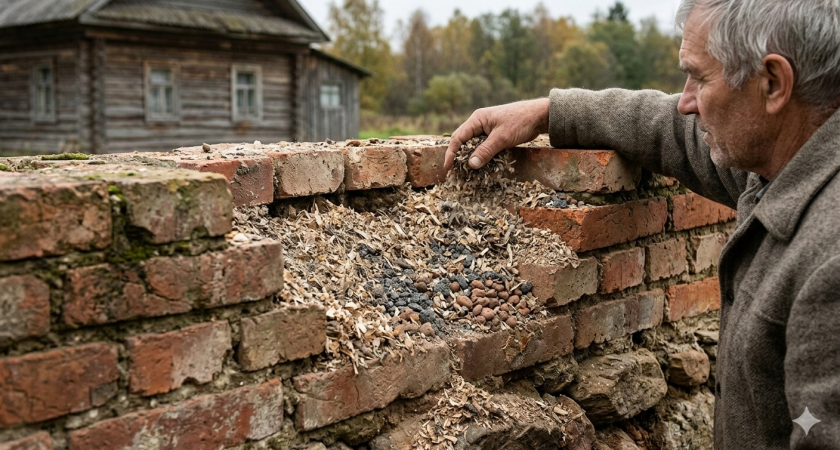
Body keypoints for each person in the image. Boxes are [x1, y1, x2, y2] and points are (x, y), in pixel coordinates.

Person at [445, 0, 840, 448]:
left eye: (701, 77)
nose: (686, 102)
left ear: (773, 83)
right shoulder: (788, 156)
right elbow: (667, 128)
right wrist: (548, 112)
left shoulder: (830, 260)